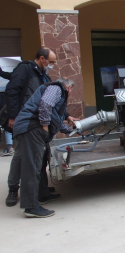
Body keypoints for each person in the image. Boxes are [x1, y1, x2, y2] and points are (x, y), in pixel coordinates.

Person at [5, 47, 77, 207]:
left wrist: (69, 122)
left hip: (36, 124)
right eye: (51, 61)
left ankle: (41, 192)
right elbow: (13, 90)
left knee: (39, 161)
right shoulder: (26, 69)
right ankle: (16, 191)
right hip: (29, 124)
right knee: (24, 160)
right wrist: (13, 116)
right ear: (42, 58)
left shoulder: (46, 77)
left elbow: (53, 110)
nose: (52, 64)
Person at [12, 78, 74, 217]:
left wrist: (73, 129)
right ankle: (31, 207)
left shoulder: (56, 91)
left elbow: (56, 120)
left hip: (32, 128)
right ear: (69, 88)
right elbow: (45, 105)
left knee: (40, 164)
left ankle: (42, 195)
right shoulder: (57, 88)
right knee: (32, 166)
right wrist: (45, 126)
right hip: (32, 129)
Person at [0, 66, 14, 155]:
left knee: (6, 123)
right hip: (7, 97)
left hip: (5, 97)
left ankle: (10, 148)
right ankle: (10, 148)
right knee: (7, 122)